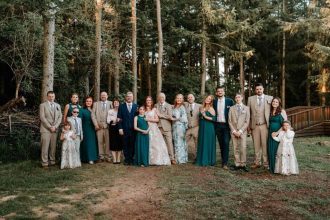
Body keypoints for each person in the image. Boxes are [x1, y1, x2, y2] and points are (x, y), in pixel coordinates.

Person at [247, 83, 273, 169]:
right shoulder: (250, 99)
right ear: (255, 90)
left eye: (260, 89)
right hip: (254, 126)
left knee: (265, 145)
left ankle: (266, 163)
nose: (259, 91)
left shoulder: (270, 98)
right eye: (257, 89)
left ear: (263, 89)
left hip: (265, 125)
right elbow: (248, 113)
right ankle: (257, 162)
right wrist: (248, 126)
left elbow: (275, 108)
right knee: (256, 145)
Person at [145, 96, 171, 165]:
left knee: (155, 144)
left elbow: (157, 120)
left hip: (153, 128)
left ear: (152, 102)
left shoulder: (154, 109)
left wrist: (148, 119)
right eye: (147, 100)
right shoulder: (143, 109)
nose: (148, 102)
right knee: (147, 143)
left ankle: (156, 160)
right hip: (145, 128)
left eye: (150, 100)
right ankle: (146, 159)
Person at [39, 91, 62, 168]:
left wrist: (55, 126)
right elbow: (42, 117)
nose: (51, 98)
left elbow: (60, 117)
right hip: (45, 129)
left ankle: (52, 161)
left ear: (54, 97)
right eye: (50, 96)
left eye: (53, 96)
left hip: (55, 129)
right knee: (45, 147)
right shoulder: (42, 105)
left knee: (53, 146)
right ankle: (44, 163)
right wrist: (50, 127)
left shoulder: (58, 105)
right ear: (47, 97)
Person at [213, 87, 234, 169]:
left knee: (226, 142)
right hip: (217, 125)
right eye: (218, 91)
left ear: (224, 92)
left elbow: (233, 112)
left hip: (226, 125)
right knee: (221, 144)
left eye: (221, 91)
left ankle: (225, 163)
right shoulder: (214, 102)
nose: (220, 92)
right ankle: (223, 160)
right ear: (216, 93)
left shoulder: (230, 101)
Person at [228, 93, 250, 171]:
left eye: (239, 97)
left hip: (242, 131)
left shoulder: (246, 108)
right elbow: (229, 121)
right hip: (234, 131)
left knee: (243, 148)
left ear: (242, 98)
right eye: (236, 97)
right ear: (235, 99)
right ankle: (237, 164)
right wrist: (234, 131)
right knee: (235, 148)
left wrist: (240, 131)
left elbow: (247, 121)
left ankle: (243, 164)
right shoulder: (231, 108)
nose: (237, 98)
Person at [91, 91, 113, 162]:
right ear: (100, 96)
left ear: (107, 96)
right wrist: (96, 124)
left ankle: (108, 156)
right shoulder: (96, 104)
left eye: (104, 95)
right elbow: (93, 115)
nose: (103, 96)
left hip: (108, 126)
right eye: (102, 95)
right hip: (98, 126)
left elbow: (113, 114)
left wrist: (110, 123)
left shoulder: (111, 103)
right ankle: (101, 156)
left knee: (108, 141)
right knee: (99, 141)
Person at [268, 97, 288, 173]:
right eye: (273, 101)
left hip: (277, 135)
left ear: (279, 103)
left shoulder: (281, 112)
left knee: (277, 151)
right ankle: (271, 168)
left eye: (276, 102)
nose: (275, 103)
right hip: (270, 133)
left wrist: (277, 133)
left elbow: (284, 125)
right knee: (270, 150)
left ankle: (278, 168)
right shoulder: (270, 111)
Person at [118, 92, 138, 165]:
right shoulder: (121, 106)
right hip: (124, 129)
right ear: (126, 97)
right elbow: (119, 118)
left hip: (133, 129)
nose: (129, 97)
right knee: (125, 144)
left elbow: (138, 118)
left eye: (130, 96)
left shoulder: (136, 106)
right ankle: (126, 159)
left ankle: (131, 159)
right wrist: (120, 128)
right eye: (128, 96)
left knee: (132, 144)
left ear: (133, 97)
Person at [155, 93, 176, 164]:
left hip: (167, 127)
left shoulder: (169, 106)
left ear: (165, 98)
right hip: (158, 127)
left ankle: (172, 158)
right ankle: (162, 157)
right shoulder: (155, 105)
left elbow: (170, 116)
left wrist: (161, 115)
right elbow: (155, 115)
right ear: (158, 98)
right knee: (160, 143)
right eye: (160, 97)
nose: (161, 98)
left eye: (163, 97)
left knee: (169, 143)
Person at [196, 95, 216, 166]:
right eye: (207, 98)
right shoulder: (201, 107)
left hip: (209, 127)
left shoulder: (211, 108)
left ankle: (207, 160)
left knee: (207, 142)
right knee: (202, 142)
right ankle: (200, 159)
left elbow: (214, 119)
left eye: (209, 99)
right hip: (202, 126)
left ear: (211, 101)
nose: (208, 99)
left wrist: (205, 116)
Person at [80, 96, 98, 164]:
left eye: (90, 101)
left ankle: (94, 157)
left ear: (92, 102)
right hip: (85, 128)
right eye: (87, 101)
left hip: (94, 128)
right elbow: (80, 120)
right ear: (85, 102)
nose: (88, 102)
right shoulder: (82, 110)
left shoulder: (94, 109)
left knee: (94, 143)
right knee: (88, 143)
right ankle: (89, 158)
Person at [184, 94, 202, 161]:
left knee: (197, 142)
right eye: (188, 97)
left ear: (194, 98)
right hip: (188, 128)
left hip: (196, 127)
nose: (190, 98)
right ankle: (183, 155)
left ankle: (197, 157)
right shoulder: (185, 105)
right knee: (184, 141)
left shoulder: (199, 106)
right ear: (187, 99)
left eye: (191, 97)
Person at [172, 94, 188, 164]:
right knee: (175, 142)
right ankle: (176, 158)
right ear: (176, 99)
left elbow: (184, 118)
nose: (179, 99)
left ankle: (180, 159)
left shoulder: (182, 107)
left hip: (180, 127)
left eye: (180, 98)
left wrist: (176, 118)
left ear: (182, 99)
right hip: (174, 126)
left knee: (180, 142)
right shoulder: (174, 107)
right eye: (178, 98)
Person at [107, 98, 123, 164]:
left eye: (117, 102)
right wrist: (113, 121)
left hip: (120, 128)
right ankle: (114, 159)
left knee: (119, 143)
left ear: (119, 103)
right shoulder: (110, 111)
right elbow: (108, 120)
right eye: (115, 102)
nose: (116, 104)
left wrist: (120, 120)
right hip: (112, 128)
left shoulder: (121, 111)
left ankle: (118, 158)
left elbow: (123, 119)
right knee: (113, 143)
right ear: (113, 104)